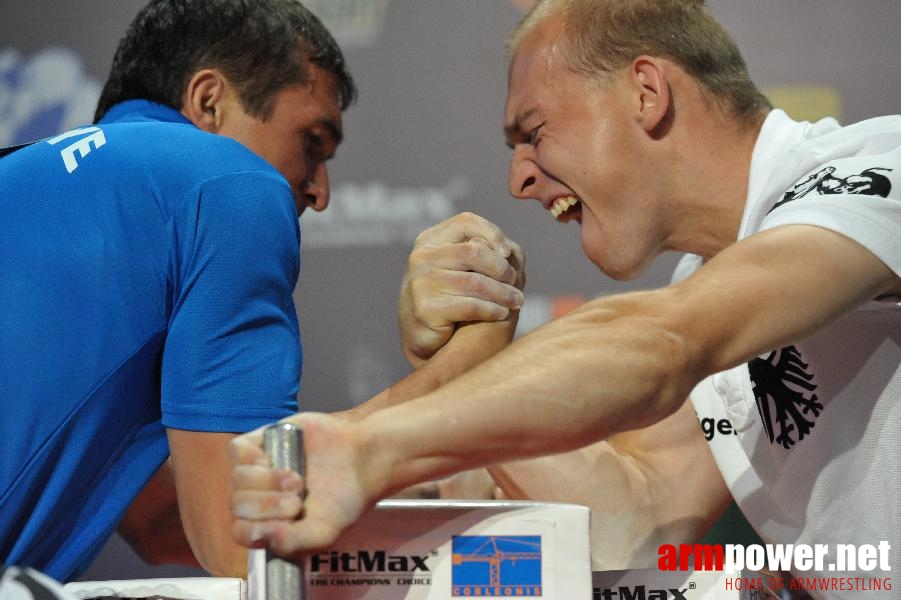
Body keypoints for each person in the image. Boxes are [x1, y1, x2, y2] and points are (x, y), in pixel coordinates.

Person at [229, 0, 901, 595]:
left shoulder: (875, 169)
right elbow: (632, 517)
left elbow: (667, 342)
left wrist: (370, 446)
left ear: (645, 92)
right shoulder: (707, 278)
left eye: (533, 131)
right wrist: (462, 363)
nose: (518, 178)